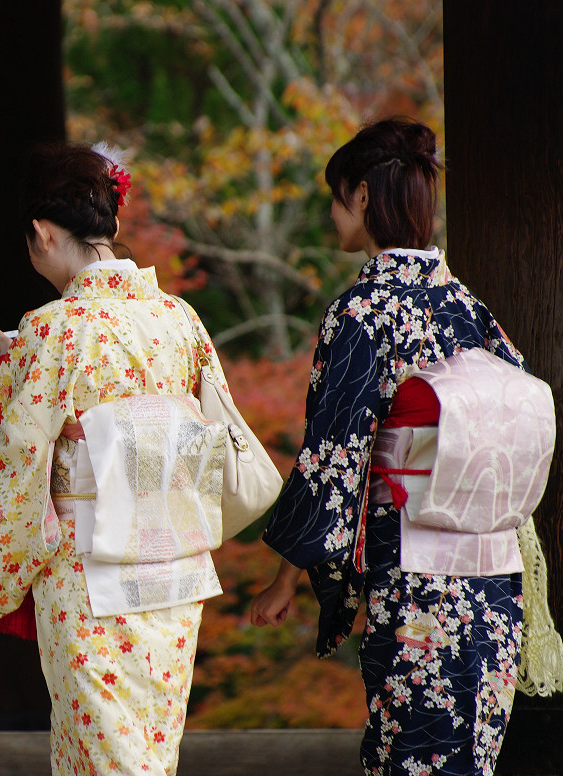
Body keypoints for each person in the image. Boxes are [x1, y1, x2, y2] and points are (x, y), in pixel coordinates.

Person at [249, 117, 534, 776]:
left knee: (411, 752)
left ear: (363, 199)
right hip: (493, 572)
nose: (331, 213)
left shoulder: (362, 313)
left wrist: (286, 576)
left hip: (417, 572)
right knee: (470, 755)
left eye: (335, 196)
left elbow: (332, 457)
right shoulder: (469, 307)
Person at [0, 141, 232, 775]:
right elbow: (215, 427)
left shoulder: (51, 329)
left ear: (41, 233)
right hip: (174, 567)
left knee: (106, 757)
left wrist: (0, 576)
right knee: (145, 749)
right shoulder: (179, 318)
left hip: (89, 573)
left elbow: (12, 463)